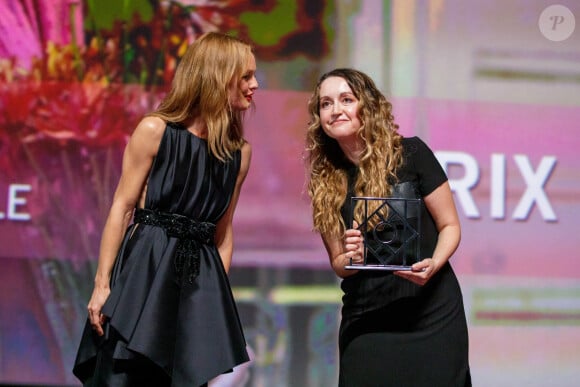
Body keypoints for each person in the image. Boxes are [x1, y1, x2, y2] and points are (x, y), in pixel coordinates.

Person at [72, 31, 259, 387]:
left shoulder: (240, 153)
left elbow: (223, 232)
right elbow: (122, 207)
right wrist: (102, 285)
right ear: (218, 76)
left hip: (195, 286)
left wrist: (210, 302)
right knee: (123, 374)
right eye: (246, 76)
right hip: (143, 274)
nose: (255, 85)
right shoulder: (155, 130)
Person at [304, 68, 471, 386]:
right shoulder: (324, 180)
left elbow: (450, 225)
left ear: (367, 106)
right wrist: (351, 258)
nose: (335, 110)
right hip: (369, 319)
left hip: (431, 311)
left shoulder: (412, 153)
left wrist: (434, 263)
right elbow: (339, 264)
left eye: (346, 99)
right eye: (326, 104)